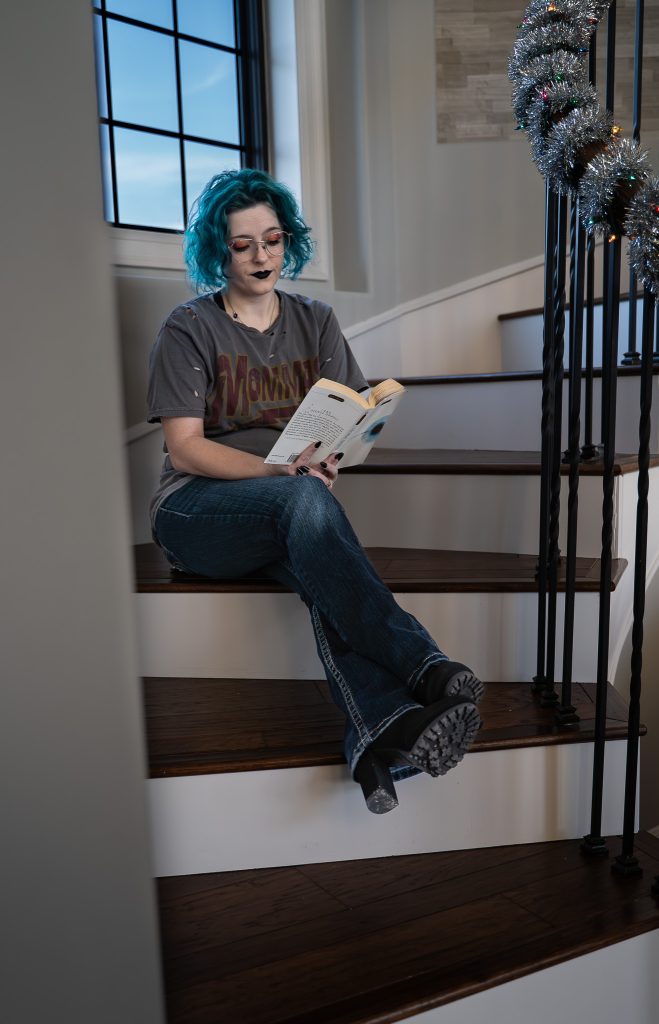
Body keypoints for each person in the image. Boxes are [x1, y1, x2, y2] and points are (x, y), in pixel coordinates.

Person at [147, 168, 484, 814]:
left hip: (286, 506)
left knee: (315, 552)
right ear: (217, 250)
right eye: (242, 244)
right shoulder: (188, 328)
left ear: (287, 241)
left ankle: (384, 735)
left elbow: (347, 417)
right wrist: (282, 479)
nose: (260, 255)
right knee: (306, 508)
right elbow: (184, 446)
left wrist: (329, 462)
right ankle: (421, 663)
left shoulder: (315, 321)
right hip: (194, 511)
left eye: (271, 239)